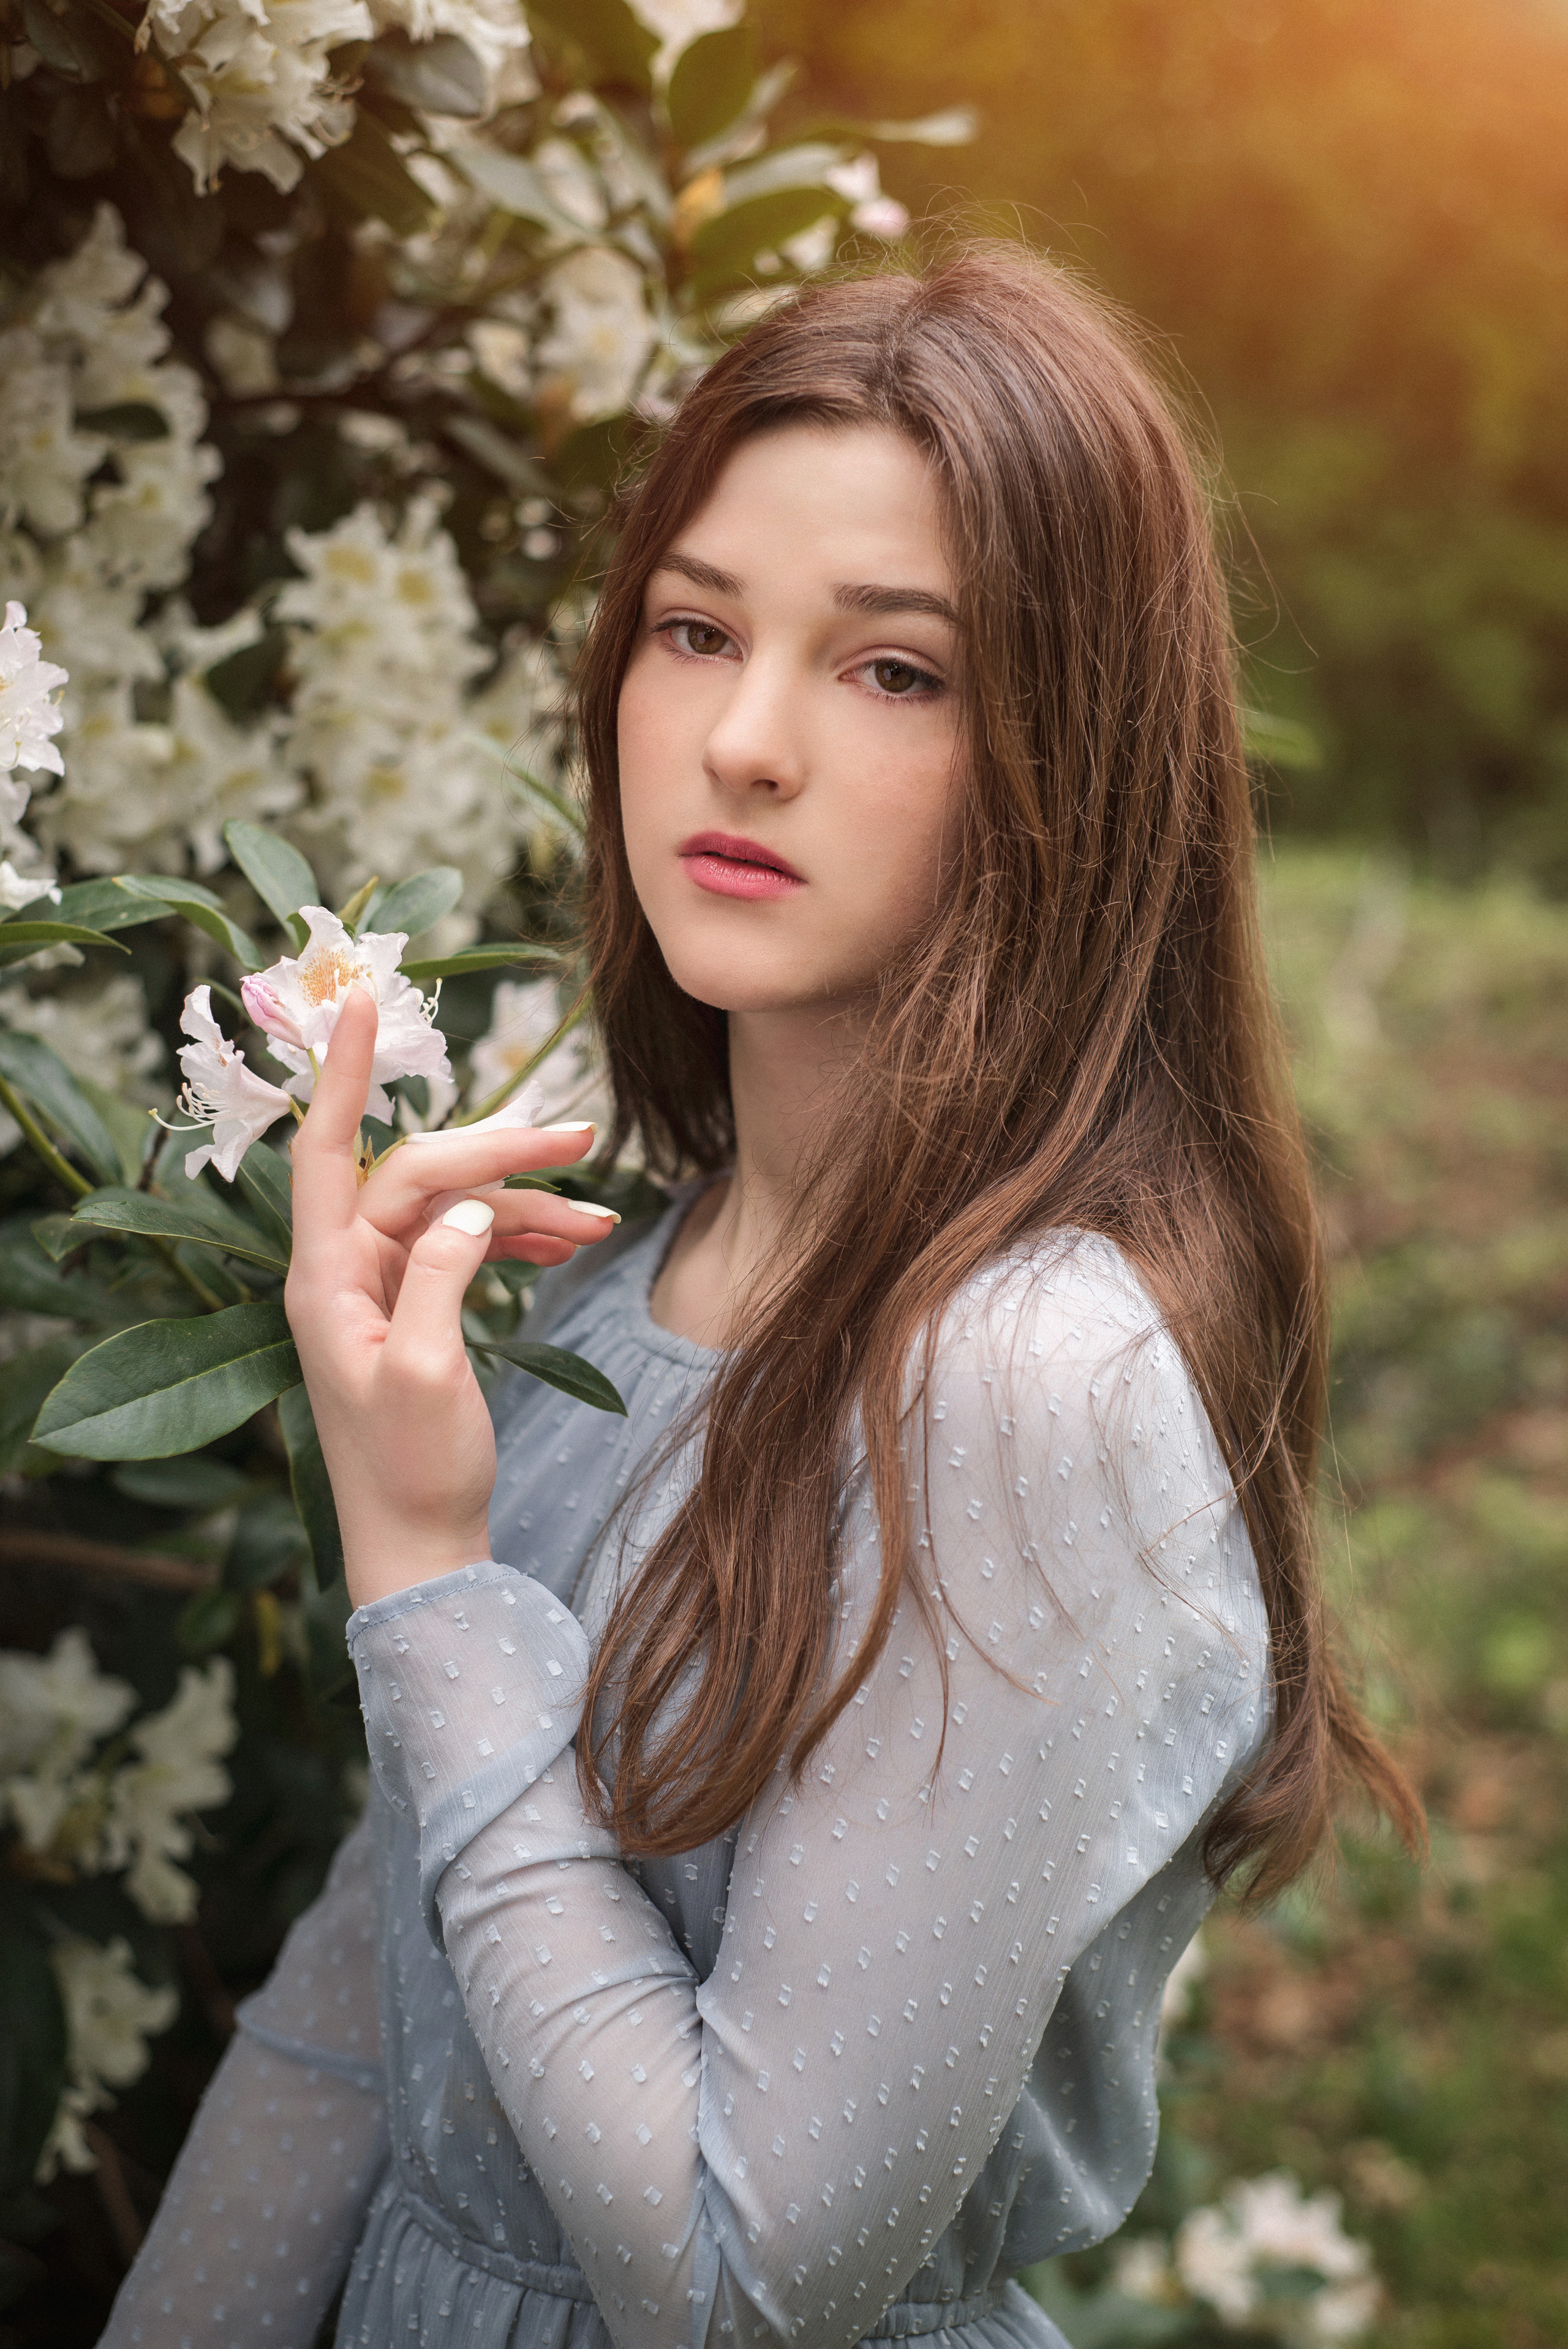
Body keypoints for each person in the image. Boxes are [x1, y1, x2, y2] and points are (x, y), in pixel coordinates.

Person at [99, 248, 1419, 2349]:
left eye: (894, 671)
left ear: (1071, 744)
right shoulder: (600, 1281)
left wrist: (428, 1576)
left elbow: (733, 2277)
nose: (742, 739)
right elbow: (370, 2020)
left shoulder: (1023, 1381)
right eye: (695, 629)